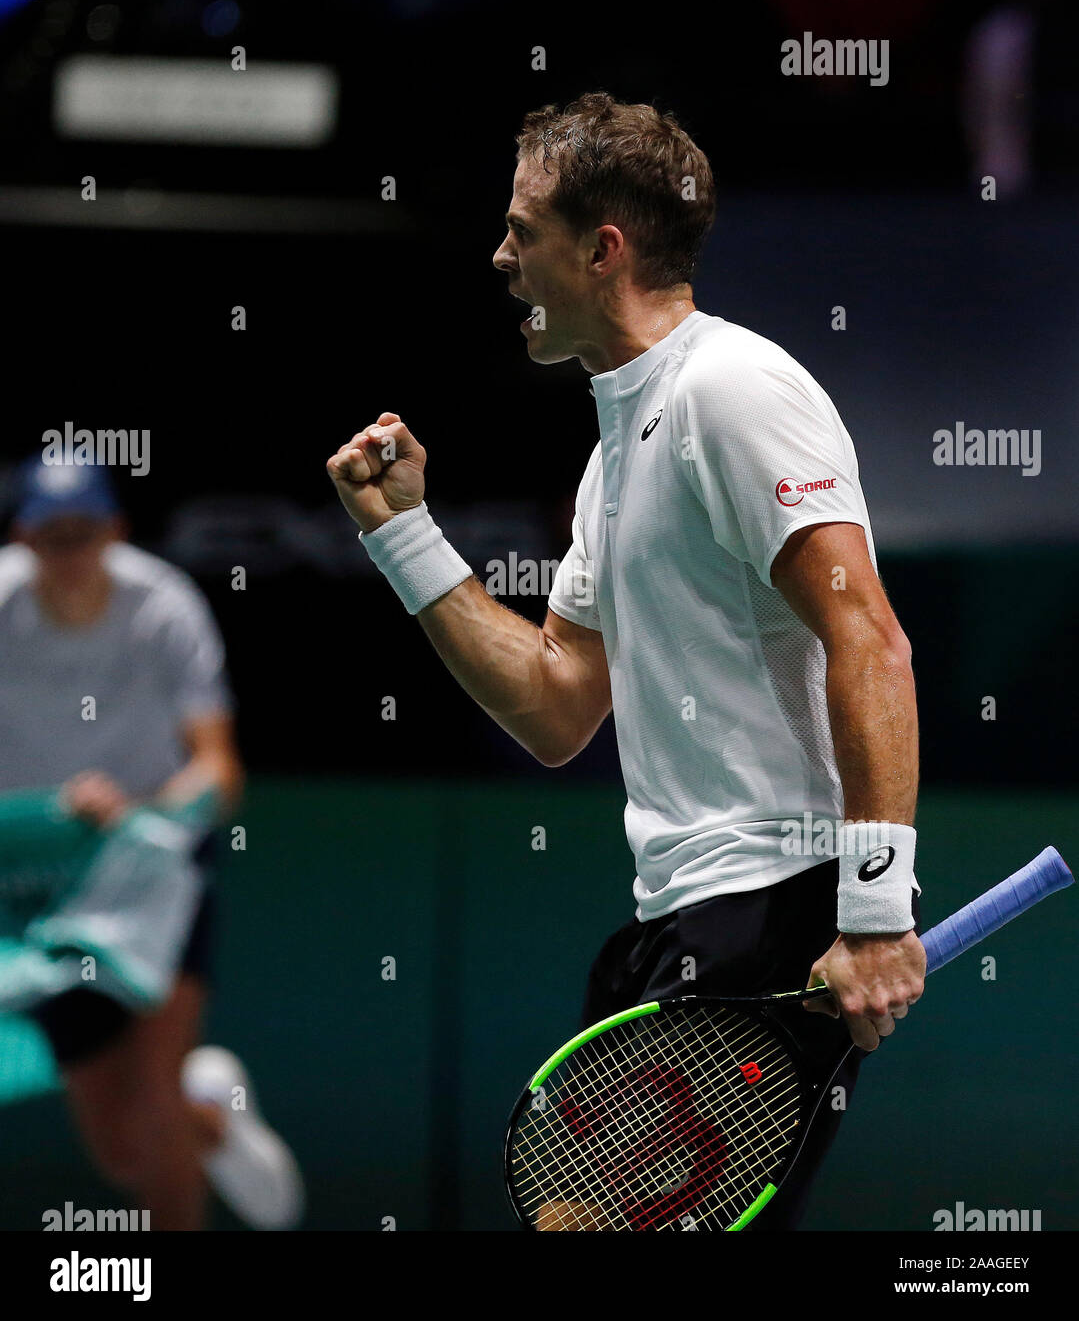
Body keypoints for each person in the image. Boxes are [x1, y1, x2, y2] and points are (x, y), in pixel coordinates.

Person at [326, 91, 924, 1230]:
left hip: (771, 906)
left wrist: (872, 911)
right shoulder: (613, 456)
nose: (500, 258)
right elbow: (554, 707)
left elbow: (869, 639)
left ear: (601, 250)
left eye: (522, 232)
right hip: (683, 913)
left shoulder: (731, 390)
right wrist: (402, 535)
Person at [0, 457, 303, 1230]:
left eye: (84, 532)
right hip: (35, 883)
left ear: (116, 531)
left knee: (155, 1095)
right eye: (51, 534)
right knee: (126, 1153)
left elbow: (217, 772)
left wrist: (135, 816)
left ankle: (182, 1104)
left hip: (151, 871)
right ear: (23, 537)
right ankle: (213, 1116)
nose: (69, 551)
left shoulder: (164, 606)